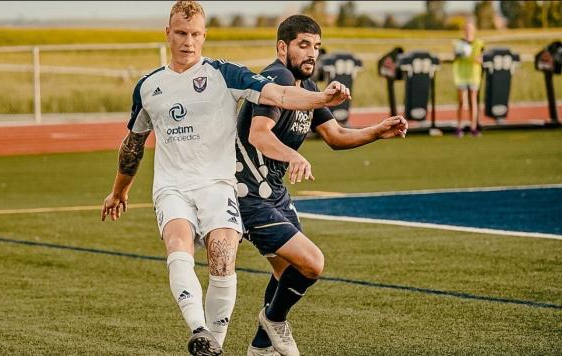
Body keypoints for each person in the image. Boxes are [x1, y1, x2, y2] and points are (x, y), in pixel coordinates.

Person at [100, 2, 350, 356]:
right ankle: (199, 329)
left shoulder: (224, 74)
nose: (189, 42)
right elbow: (133, 145)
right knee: (178, 242)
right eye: (182, 34)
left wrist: (322, 97)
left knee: (222, 257)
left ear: (204, 36)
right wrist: (118, 191)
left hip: (218, 185)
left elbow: (278, 94)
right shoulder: (148, 87)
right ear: (168, 34)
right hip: (172, 187)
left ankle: (213, 345)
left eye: (196, 34)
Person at [234, 15, 408, 356]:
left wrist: (377, 131)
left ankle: (260, 349)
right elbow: (259, 134)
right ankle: (274, 323)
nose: (311, 53)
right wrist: (294, 156)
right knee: (312, 263)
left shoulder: (309, 90)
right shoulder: (276, 78)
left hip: (275, 193)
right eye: (303, 45)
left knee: (287, 274)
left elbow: (336, 136)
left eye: (316, 46)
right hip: (248, 193)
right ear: (282, 48)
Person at [452, 21, 484, 137]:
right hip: (461, 75)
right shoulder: (458, 43)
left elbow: (481, 59)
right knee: (461, 101)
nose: (468, 31)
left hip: (473, 75)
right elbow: (454, 57)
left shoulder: (479, 43)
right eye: (466, 29)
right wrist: (459, 54)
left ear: (474, 30)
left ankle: (473, 127)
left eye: (470, 29)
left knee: (473, 100)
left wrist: (475, 59)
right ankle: (459, 127)